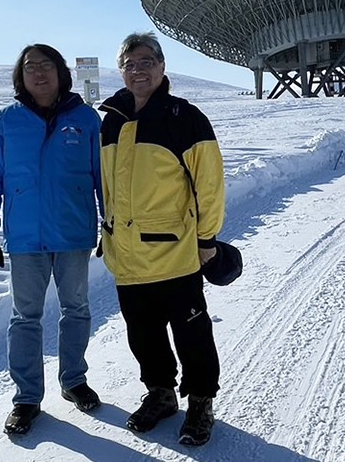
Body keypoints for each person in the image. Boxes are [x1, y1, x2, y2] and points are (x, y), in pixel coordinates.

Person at [99, 31, 225, 446]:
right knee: (143, 333)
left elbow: (209, 185)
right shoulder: (111, 120)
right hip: (127, 256)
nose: (139, 70)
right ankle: (161, 393)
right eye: (130, 64)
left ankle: (201, 401)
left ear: (162, 66)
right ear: (121, 70)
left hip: (175, 253)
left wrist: (206, 239)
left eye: (146, 62)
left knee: (191, 333)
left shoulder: (184, 117)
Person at [0, 44, 104, 435]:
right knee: (25, 317)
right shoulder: (6, 121)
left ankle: (73, 381)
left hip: (73, 232)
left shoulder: (86, 119)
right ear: (21, 76)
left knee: (76, 309)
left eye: (46, 66)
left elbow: (104, 176)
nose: (39, 74)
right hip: (25, 238)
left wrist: (111, 223)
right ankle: (27, 398)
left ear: (60, 72)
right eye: (30, 67)